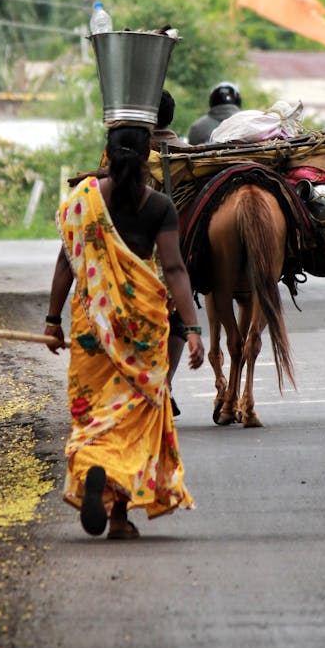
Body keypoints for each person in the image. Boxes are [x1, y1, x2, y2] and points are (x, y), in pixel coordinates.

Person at [44, 124, 204, 540]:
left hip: (91, 326)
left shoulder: (83, 201)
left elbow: (66, 263)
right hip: (143, 327)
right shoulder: (160, 206)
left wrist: (51, 320)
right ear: (148, 156)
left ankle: (96, 464)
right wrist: (193, 328)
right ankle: (118, 516)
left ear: (107, 155)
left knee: (94, 412)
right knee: (135, 414)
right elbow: (173, 269)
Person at [151, 90, 187, 417]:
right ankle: (167, 382)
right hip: (176, 253)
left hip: (134, 253)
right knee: (178, 319)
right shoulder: (190, 156)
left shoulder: (125, 155)